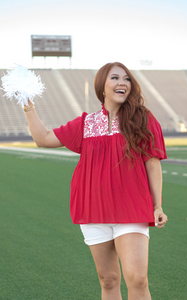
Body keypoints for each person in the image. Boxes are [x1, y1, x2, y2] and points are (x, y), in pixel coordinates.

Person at [24, 62, 168, 300]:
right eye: (115, 78)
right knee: (108, 280)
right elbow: (43, 138)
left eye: (127, 79)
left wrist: (157, 206)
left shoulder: (143, 119)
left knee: (137, 280)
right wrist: (28, 107)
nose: (122, 82)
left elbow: (153, 164)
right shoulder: (85, 123)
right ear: (102, 86)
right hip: (93, 210)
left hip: (131, 209)